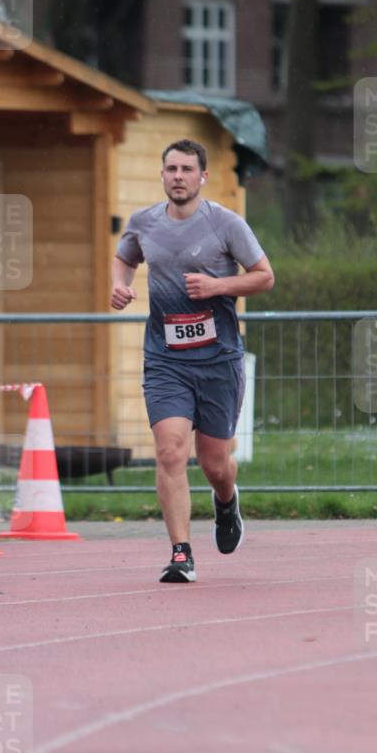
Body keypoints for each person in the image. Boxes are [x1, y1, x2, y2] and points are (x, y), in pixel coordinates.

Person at [111, 139, 274, 582]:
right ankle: (180, 553)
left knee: (214, 463)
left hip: (218, 358)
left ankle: (226, 500)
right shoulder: (143, 223)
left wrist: (217, 287)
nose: (178, 176)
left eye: (186, 169)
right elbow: (124, 258)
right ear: (161, 175)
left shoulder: (225, 223)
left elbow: (264, 276)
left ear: (202, 176)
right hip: (166, 358)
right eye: (171, 169)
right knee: (169, 451)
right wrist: (120, 285)